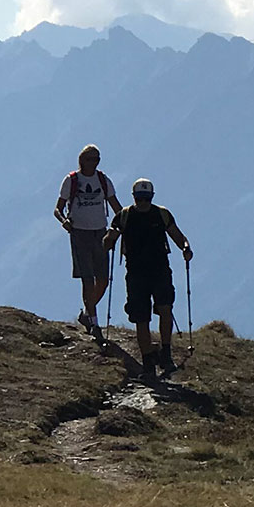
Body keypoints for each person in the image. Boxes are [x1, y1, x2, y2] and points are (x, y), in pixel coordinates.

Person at [101, 178, 192, 378]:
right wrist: (109, 238)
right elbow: (108, 241)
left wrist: (185, 247)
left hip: (156, 271)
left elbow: (178, 236)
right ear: (134, 197)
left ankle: (164, 355)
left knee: (163, 310)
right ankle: (150, 362)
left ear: (151, 197)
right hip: (139, 273)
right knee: (144, 316)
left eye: (146, 198)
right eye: (140, 198)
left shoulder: (158, 214)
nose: (143, 202)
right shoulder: (125, 216)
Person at [53, 145, 122, 332]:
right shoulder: (71, 180)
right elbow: (57, 208)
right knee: (87, 279)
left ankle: (87, 312)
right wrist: (64, 221)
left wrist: (122, 225)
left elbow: (116, 207)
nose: (95, 162)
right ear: (82, 160)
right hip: (79, 233)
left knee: (103, 280)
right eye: (91, 159)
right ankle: (94, 322)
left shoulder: (103, 180)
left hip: (101, 233)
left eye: (97, 159)